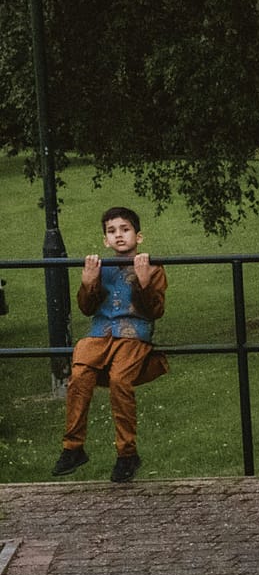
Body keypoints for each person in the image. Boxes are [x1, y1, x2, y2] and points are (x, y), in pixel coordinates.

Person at [55, 206, 169, 482]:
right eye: (112, 231)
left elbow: (155, 310)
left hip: (133, 335)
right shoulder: (100, 267)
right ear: (105, 239)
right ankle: (73, 447)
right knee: (80, 376)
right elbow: (87, 307)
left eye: (125, 229)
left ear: (138, 236)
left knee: (120, 381)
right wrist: (88, 283)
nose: (119, 236)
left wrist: (143, 282)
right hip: (100, 334)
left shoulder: (152, 267)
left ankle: (127, 453)